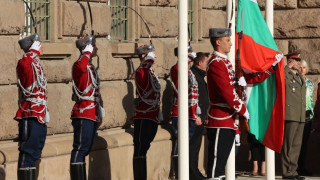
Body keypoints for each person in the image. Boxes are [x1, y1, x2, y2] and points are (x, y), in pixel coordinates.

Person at [204, 28, 250, 180]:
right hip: (220, 118)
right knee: (216, 163)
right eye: (228, 40)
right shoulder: (217, 63)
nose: (231, 44)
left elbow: (232, 88)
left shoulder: (224, 61)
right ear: (218, 42)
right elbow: (226, 92)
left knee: (221, 163)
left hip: (228, 118)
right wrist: (242, 109)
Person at [15, 34, 49, 180]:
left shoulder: (36, 64)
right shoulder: (26, 62)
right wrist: (32, 52)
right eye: (38, 45)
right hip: (30, 112)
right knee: (28, 151)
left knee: (35, 151)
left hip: (39, 112)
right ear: (33, 47)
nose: (41, 47)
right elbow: (23, 65)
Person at [70, 36, 104, 180]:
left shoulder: (89, 65)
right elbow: (82, 69)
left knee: (86, 149)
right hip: (84, 112)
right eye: (93, 46)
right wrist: (86, 53)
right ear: (87, 47)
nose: (96, 49)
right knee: (80, 149)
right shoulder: (80, 64)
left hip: (92, 112)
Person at [169, 46, 201, 179]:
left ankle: (185, 173)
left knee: (186, 144)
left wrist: (196, 112)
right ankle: (178, 174)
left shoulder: (188, 70)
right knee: (180, 143)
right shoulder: (177, 68)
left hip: (190, 112)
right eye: (187, 52)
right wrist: (188, 56)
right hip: (180, 112)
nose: (190, 55)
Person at [132, 44, 161, 180]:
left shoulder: (150, 72)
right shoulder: (141, 71)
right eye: (150, 54)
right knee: (140, 149)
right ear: (144, 56)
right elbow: (144, 71)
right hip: (144, 115)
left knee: (145, 147)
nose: (154, 56)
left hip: (152, 115)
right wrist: (148, 58)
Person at [282, 50, 306, 180]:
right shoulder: (285, 74)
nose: (299, 63)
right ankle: (286, 172)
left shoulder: (298, 76)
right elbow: (280, 80)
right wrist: (287, 67)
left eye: (299, 60)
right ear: (290, 61)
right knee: (288, 144)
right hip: (291, 114)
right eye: (296, 60)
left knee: (296, 145)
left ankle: (293, 171)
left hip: (300, 115)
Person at [189, 52, 210, 180]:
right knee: (192, 146)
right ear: (199, 63)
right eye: (206, 63)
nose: (208, 66)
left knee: (196, 147)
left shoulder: (199, 76)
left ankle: (194, 171)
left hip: (201, 117)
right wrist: (195, 115)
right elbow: (192, 97)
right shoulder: (193, 75)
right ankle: (192, 173)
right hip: (195, 117)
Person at [297, 60, 314, 176]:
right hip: (298, 113)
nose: (302, 69)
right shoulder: (295, 80)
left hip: (308, 114)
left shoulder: (310, 83)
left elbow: (310, 99)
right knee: (297, 143)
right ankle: (295, 167)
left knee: (304, 143)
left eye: (304, 67)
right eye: (300, 67)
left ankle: (302, 167)